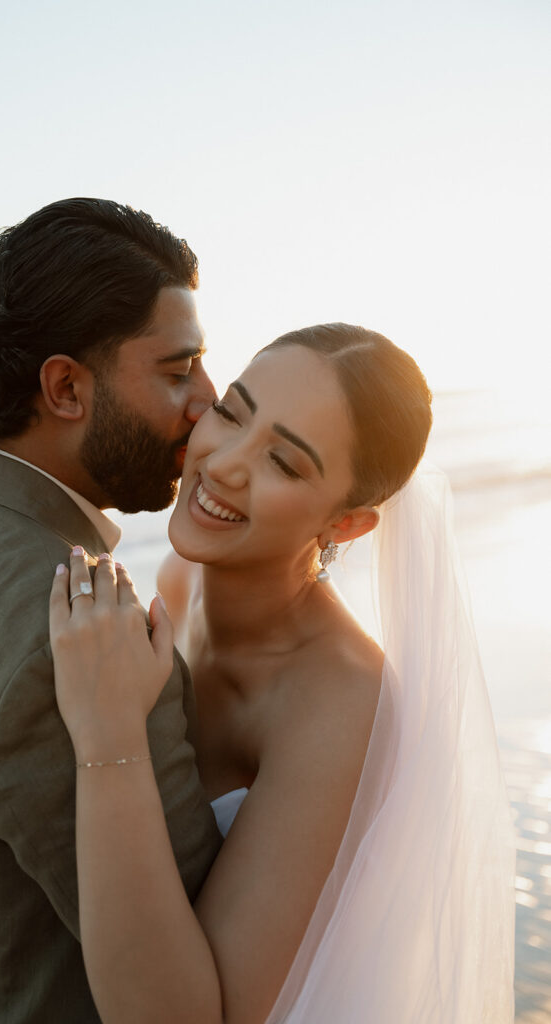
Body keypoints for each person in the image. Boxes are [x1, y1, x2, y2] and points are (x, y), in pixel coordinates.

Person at [50, 324, 516, 1023]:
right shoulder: (179, 582)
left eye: (285, 463)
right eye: (233, 411)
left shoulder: (340, 703)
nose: (225, 463)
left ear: (348, 525)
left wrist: (106, 733)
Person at [0, 198, 222, 1023]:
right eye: (177, 370)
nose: (207, 400)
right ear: (64, 386)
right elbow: (195, 955)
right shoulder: (74, 633)